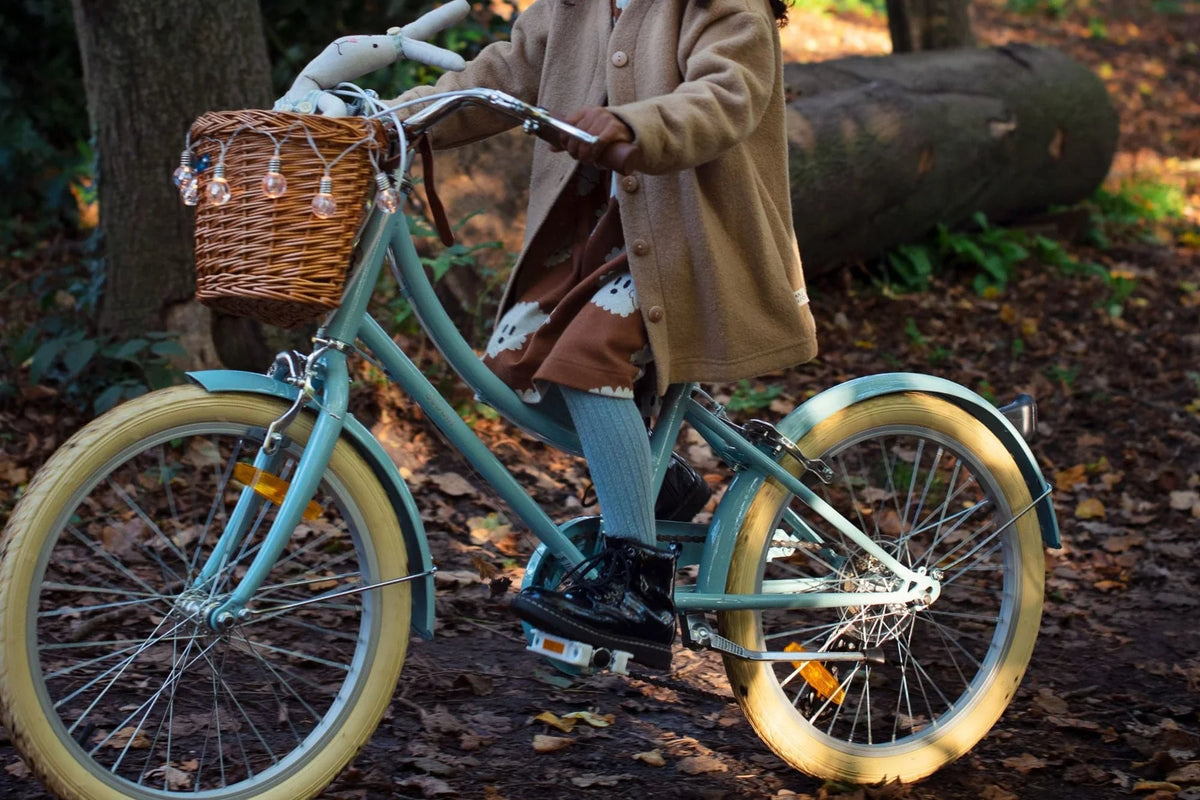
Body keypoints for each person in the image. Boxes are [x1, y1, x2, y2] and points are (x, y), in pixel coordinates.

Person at [392, 0, 818, 670]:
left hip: (688, 249)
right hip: (601, 239)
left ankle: (637, 589)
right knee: (520, 358)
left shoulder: (724, 7)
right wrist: (398, 119)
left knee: (587, 360)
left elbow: (725, 96)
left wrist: (631, 122)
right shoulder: (573, 6)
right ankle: (659, 479)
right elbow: (500, 76)